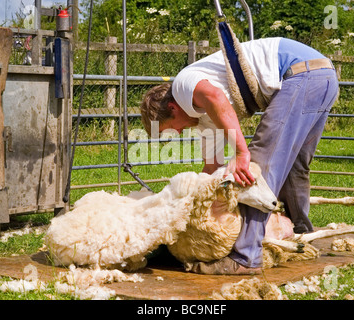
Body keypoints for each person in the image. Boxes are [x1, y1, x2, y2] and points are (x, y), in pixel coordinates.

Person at [140, 37, 339, 275]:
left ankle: (245, 257)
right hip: (323, 75)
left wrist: (241, 152)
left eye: (172, 129)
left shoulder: (183, 85)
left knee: (258, 164)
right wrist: (189, 203)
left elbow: (216, 97)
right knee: (295, 166)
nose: (180, 133)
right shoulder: (203, 118)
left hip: (300, 75)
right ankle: (302, 234)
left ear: (172, 109)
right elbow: (211, 168)